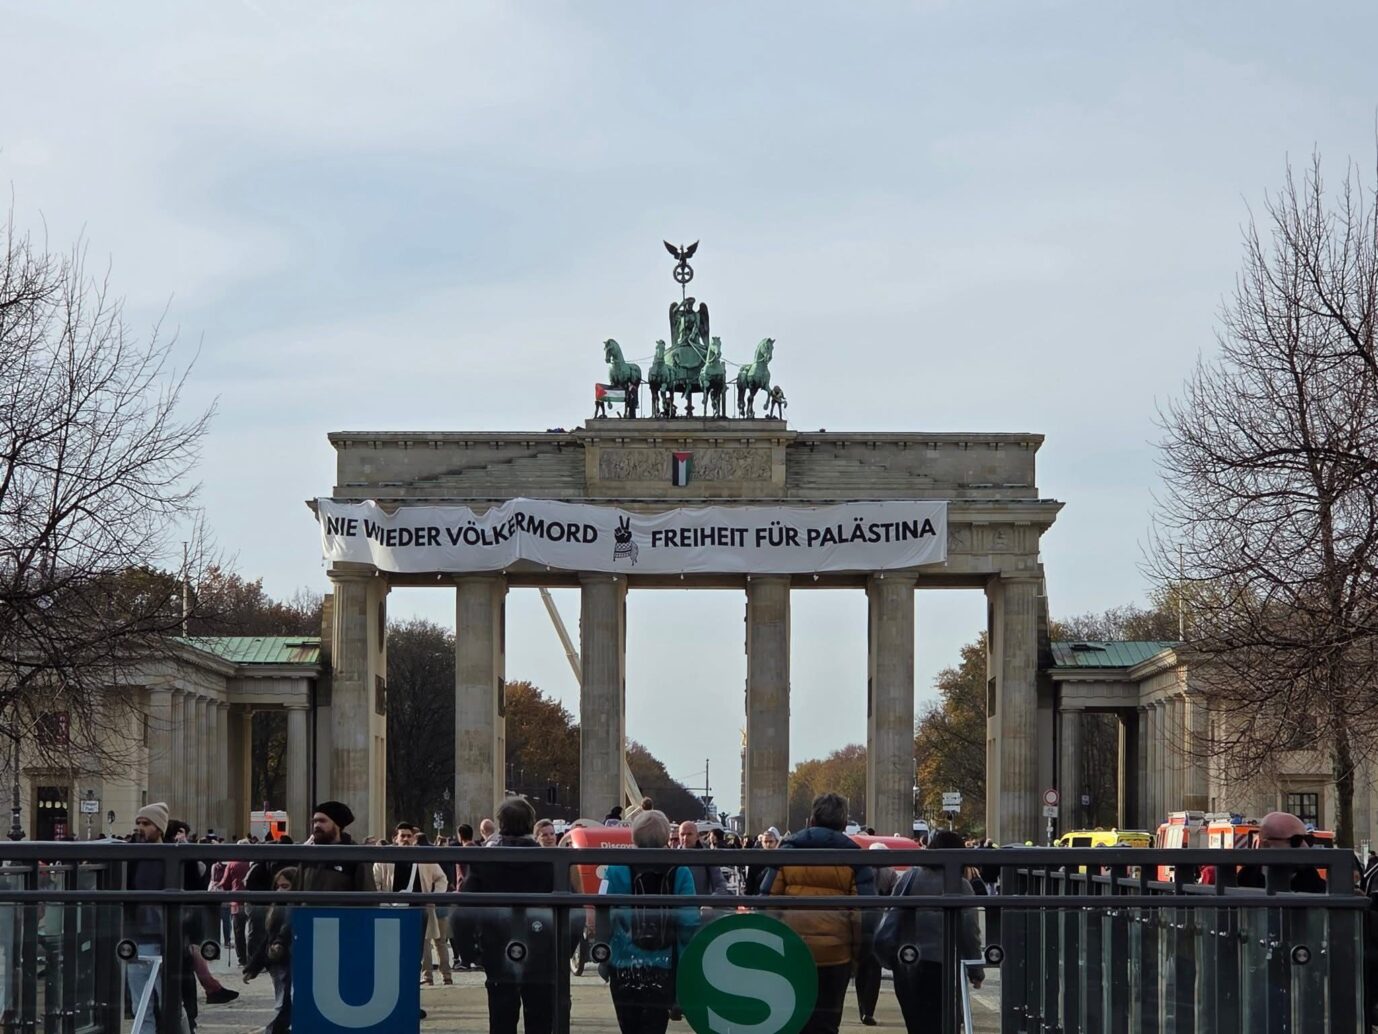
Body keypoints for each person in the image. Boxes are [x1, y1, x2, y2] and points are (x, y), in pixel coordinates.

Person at [760, 794, 875, 1034]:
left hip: (791, 953)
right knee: (826, 1025)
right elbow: (864, 916)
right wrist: (857, 957)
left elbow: (768, 903)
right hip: (835, 956)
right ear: (844, 824)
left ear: (811, 820)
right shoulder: (854, 857)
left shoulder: (788, 850)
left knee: (789, 1023)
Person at [462, 797, 562, 1034]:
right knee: (541, 1017)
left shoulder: (484, 862)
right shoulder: (552, 862)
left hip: (496, 946)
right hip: (542, 948)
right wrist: (563, 950)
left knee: (501, 1016)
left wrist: (469, 951)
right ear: (531, 824)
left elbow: (465, 906)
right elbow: (569, 908)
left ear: (500, 824)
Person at [598, 809, 699, 1034]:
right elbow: (689, 921)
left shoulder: (615, 869)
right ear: (666, 837)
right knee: (655, 1027)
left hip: (623, 962)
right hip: (663, 964)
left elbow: (602, 911)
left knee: (629, 1026)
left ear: (633, 837)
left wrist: (602, 954)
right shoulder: (680, 870)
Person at [876, 830, 982, 1032]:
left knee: (917, 1026)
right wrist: (976, 970)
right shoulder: (962, 886)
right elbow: (970, 932)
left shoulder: (909, 878)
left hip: (908, 964)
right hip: (944, 968)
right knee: (942, 1025)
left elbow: (891, 915)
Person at [372, 823, 451, 986]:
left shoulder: (424, 858)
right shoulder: (384, 859)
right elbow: (375, 882)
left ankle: (420, 977)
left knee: (421, 945)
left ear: (414, 838)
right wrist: (382, 901)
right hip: (392, 910)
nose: (406, 839)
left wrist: (434, 897)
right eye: (403, 836)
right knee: (393, 947)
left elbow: (442, 878)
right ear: (395, 838)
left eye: (409, 836)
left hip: (419, 909)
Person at [242, 866, 297, 1034]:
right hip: (277, 961)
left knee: (285, 1005)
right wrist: (253, 966)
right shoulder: (276, 908)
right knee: (283, 1004)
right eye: (278, 886)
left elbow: (283, 932)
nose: (280, 890)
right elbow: (268, 938)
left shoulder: (292, 908)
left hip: (289, 959)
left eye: (286, 886)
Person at [854, 843, 899, 1025]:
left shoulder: (861, 870)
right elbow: (896, 897)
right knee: (874, 968)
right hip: (880, 922)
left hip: (861, 922)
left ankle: (861, 1008)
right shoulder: (891, 872)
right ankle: (868, 1009)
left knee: (860, 969)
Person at [1237, 811, 1326, 892]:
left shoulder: (1312, 879)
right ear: (1266, 845)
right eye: (1296, 840)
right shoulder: (1245, 879)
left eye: (1308, 839)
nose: (1305, 846)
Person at [745, 827, 781, 895]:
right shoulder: (755, 860)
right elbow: (750, 882)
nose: (768, 844)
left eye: (770, 841)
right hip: (759, 895)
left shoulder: (782, 858)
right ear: (762, 843)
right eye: (766, 842)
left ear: (776, 842)